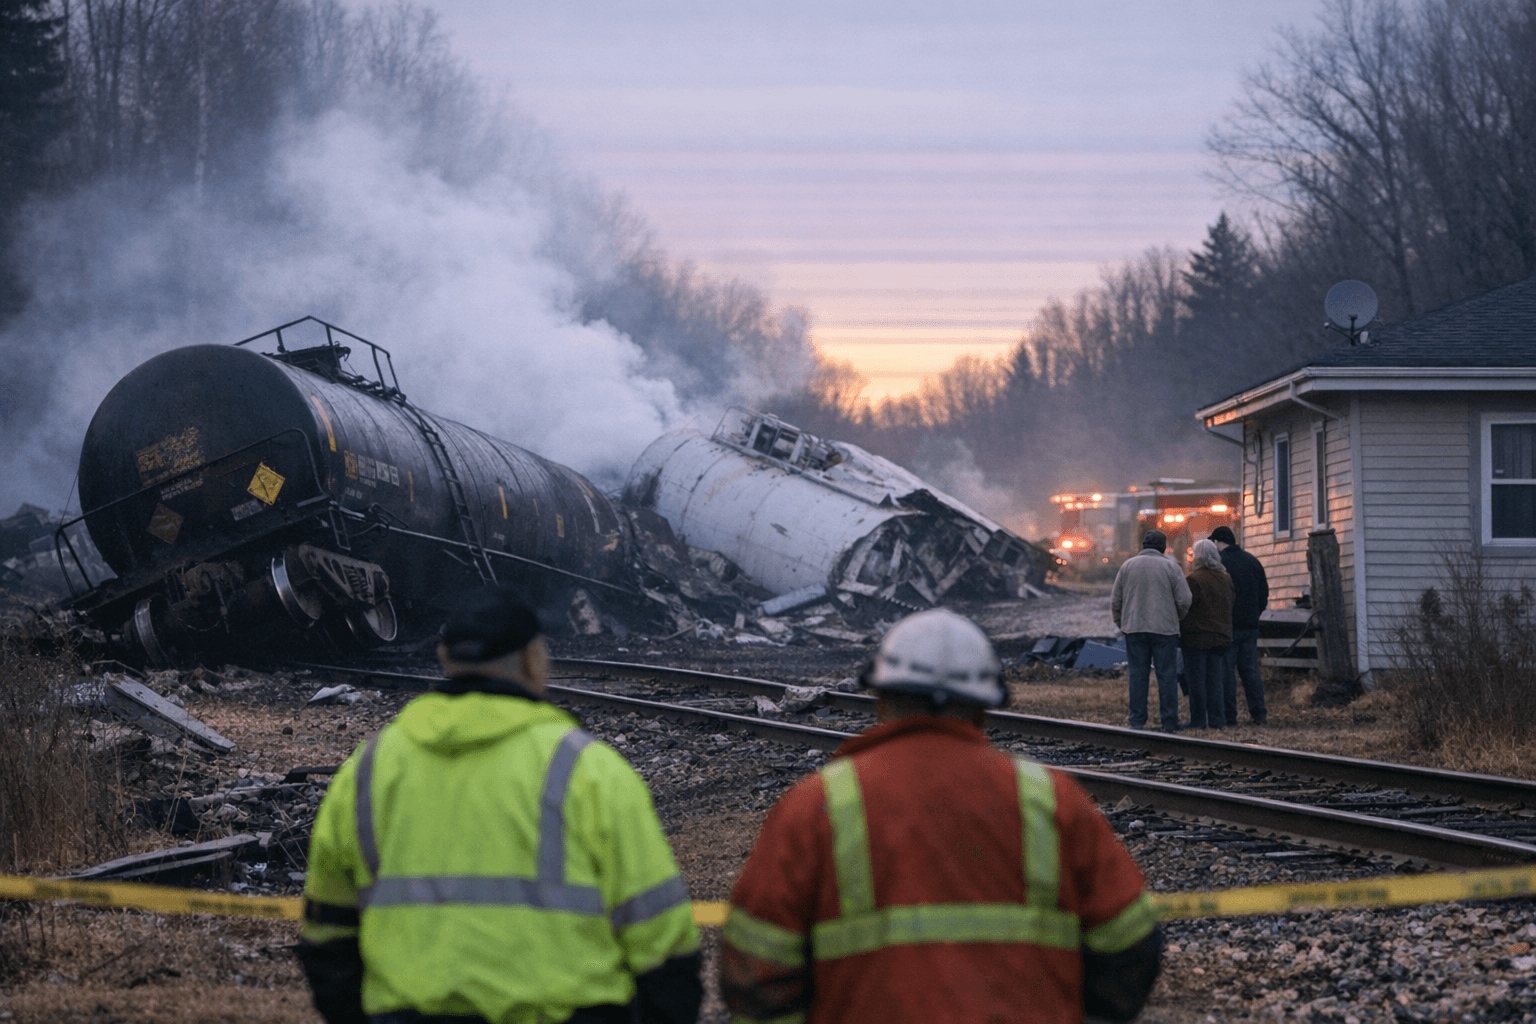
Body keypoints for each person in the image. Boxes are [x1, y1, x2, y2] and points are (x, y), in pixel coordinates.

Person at [720, 609, 1162, 1024]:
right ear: (983, 707)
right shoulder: (1050, 799)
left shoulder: (817, 805)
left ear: (881, 698)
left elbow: (755, 971)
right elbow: (1131, 942)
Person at [297, 587, 702, 1024]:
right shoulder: (590, 771)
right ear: (534, 659)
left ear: (444, 658)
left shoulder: (369, 769)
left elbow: (327, 936)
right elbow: (664, 944)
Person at [1111, 529, 1192, 731]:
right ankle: (1169, 721)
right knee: (1167, 676)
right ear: (1163, 547)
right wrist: (1176, 618)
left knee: (1137, 675)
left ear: (1143, 546)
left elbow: (1115, 601)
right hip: (1165, 630)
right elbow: (1185, 599)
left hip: (1135, 628)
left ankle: (1137, 720)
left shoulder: (1127, 566)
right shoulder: (1171, 567)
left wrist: (1123, 623)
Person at [1210, 525, 1269, 725]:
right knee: (1251, 671)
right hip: (1250, 626)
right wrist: (1254, 614)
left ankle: (1230, 716)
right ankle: (1259, 714)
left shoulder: (1220, 563)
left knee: (1227, 674)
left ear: (1218, 542)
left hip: (1228, 627)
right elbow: (1264, 594)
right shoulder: (1252, 561)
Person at [1180, 539, 1235, 729]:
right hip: (1221, 635)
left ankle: (1198, 720)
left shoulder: (1193, 580)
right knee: (1215, 681)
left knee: (1196, 681)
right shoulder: (1226, 578)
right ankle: (1217, 720)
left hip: (1197, 636)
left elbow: (1187, 608)